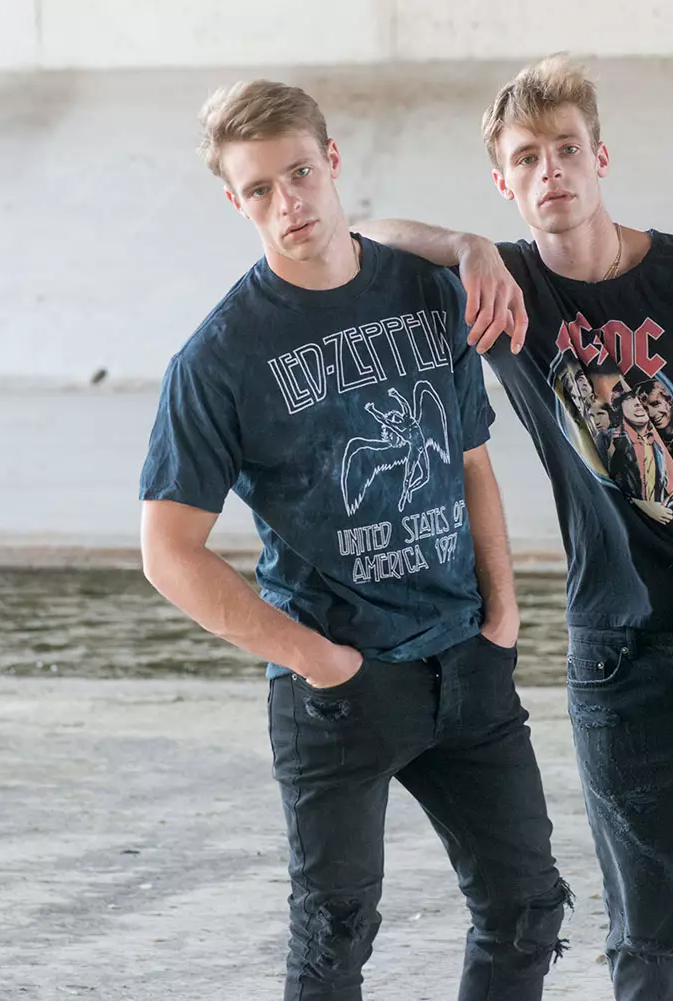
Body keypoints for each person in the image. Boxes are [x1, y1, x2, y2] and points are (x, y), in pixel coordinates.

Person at [358, 53, 673, 1001]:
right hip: (614, 656)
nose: (550, 173)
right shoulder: (507, 297)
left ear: (601, 157)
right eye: (526, 159)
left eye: (566, 149)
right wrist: (468, 247)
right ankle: (668, 959)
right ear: (505, 181)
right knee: (636, 945)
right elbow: (357, 229)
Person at [138, 79, 569, 1001]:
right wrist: (319, 661)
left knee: (528, 908)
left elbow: (471, 462)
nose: (288, 201)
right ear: (237, 202)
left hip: (467, 660)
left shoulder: (426, 291)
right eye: (260, 189)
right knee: (334, 940)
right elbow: (167, 550)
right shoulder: (220, 357)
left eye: (299, 172)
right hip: (338, 692)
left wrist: (503, 615)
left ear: (332, 164)